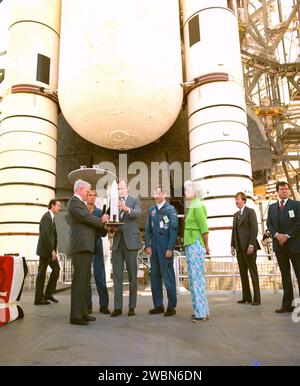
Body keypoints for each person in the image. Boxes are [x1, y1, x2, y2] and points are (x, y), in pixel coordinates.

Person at [67, 180, 109, 326]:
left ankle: (83, 313)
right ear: (80, 189)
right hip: (81, 247)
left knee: (84, 282)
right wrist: (101, 220)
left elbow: (88, 221)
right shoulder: (74, 202)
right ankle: (76, 316)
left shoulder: (79, 203)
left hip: (86, 247)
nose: (88, 193)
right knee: (79, 282)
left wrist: (103, 225)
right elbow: (86, 218)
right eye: (88, 190)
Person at [267, 181, 300, 313]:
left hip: (294, 245)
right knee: (285, 276)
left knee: (299, 274)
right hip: (279, 247)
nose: (285, 191)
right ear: (277, 191)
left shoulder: (296, 205)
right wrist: (277, 235)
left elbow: (298, 223)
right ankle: (287, 304)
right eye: (282, 189)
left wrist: (286, 236)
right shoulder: (272, 207)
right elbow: (269, 224)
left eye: (286, 189)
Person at [145, 186, 179, 317]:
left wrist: (170, 248)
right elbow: (148, 229)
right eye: (154, 193)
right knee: (155, 277)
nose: (155, 196)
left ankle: (171, 307)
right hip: (154, 246)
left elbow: (173, 230)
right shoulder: (152, 210)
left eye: (158, 193)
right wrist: (148, 245)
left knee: (168, 277)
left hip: (165, 246)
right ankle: (158, 305)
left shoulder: (170, 210)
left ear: (164, 194)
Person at [111, 180, 142, 317]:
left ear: (127, 189)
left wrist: (126, 209)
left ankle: (132, 307)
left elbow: (138, 213)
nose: (120, 190)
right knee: (117, 277)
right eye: (118, 188)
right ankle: (117, 307)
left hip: (131, 243)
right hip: (117, 243)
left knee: (132, 276)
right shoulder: (113, 202)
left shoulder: (134, 200)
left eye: (122, 188)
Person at [183, 180, 210, 323]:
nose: (185, 192)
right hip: (191, 244)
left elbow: (204, 228)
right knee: (194, 279)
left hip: (195, 244)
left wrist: (207, 245)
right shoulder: (194, 205)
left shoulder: (198, 206)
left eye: (187, 190)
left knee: (197, 279)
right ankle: (202, 310)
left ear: (193, 192)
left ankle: (201, 313)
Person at [231, 192, 261, 305]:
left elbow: (254, 229)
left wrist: (252, 245)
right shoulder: (235, 215)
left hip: (249, 248)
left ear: (243, 200)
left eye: (238, 199)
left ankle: (257, 299)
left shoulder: (250, 212)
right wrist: (232, 245)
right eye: (235, 199)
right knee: (243, 274)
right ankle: (246, 297)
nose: (236, 201)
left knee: (253, 273)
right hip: (239, 249)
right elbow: (233, 231)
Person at [86, 190, 110, 315]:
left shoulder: (100, 212)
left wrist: (104, 225)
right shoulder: (82, 211)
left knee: (100, 276)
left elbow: (104, 233)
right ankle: (88, 305)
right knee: (86, 277)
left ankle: (104, 305)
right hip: (85, 246)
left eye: (94, 195)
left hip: (97, 245)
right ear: (86, 196)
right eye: (90, 194)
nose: (92, 197)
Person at [34, 199, 61, 305]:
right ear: (52, 206)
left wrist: (54, 250)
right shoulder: (46, 217)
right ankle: (38, 299)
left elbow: (52, 236)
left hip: (50, 251)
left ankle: (48, 294)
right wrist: (52, 250)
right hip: (46, 251)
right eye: (58, 206)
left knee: (56, 269)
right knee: (41, 273)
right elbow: (46, 235)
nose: (59, 208)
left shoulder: (51, 217)